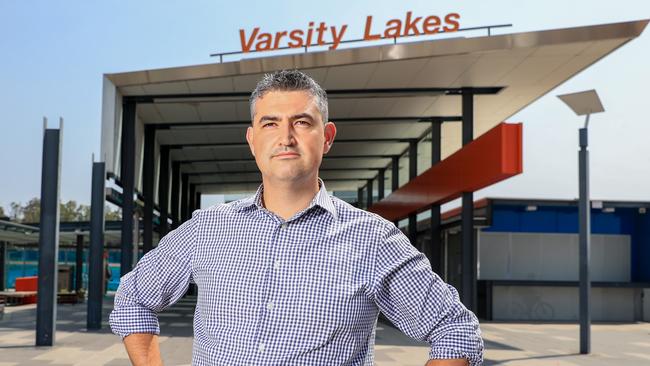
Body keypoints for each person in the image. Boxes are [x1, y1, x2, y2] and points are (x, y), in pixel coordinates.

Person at [109, 70, 483, 366]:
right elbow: (132, 298)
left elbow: (456, 330)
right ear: (253, 139)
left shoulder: (374, 240)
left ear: (327, 137)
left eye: (302, 122)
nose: (285, 137)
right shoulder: (206, 229)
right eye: (270, 124)